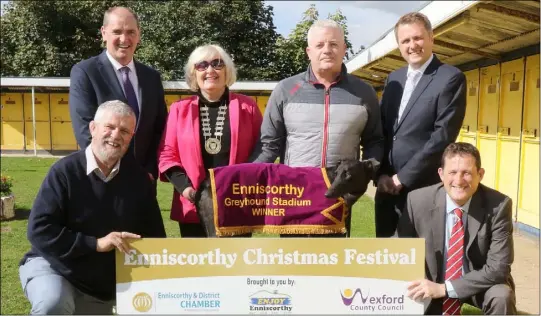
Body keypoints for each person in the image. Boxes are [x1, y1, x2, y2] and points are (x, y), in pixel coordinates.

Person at [18, 100, 167, 315]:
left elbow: (155, 237)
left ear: (131, 138)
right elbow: (39, 230)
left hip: (98, 285)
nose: (116, 135)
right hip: (53, 265)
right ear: (93, 128)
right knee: (53, 303)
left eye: (124, 131)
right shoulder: (64, 171)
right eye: (110, 127)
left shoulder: (140, 179)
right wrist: (96, 243)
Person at [250, 20, 384, 237]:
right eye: (320, 45)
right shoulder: (285, 89)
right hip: (294, 196)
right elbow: (268, 145)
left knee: (332, 266)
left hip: (339, 198)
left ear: (344, 50)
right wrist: (244, 178)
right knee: (293, 265)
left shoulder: (364, 92)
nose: (327, 50)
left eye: (333, 44)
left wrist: (362, 177)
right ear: (308, 51)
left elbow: (375, 141)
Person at [396, 142, 516, 315]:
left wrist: (445, 288)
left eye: (466, 173)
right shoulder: (417, 201)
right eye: (452, 172)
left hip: (478, 282)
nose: (459, 181)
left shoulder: (498, 205)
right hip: (432, 282)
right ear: (441, 174)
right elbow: (399, 248)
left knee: (501, 295)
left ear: (480, 174)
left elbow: (499, 268)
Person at [375, 12, 467, 237]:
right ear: (399, 45)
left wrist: (402, 178)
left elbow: (442, 136)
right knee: (384, 260)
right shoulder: (393, 79)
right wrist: (380, 174)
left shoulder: (450, 78)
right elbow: (383, 130)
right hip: (386, 188)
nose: (412, 45)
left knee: (420, 264)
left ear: (431, 38)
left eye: (417, 38)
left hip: (422, 189)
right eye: (405, 41)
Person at [157, 44, 262, 238]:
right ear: (193, 73)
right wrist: (187, 190)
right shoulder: (179, 109)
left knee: (235, 265)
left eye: (217, 63)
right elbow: (167, 153)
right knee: (197, 267)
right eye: (202, 65)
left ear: (227, 70)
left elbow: (261, 149)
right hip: (193, 202)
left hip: (237, 203)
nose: (210, 70)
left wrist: (245, 184)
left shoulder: (247, 107)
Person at [69, 6, 167, 184]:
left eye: (131, 32)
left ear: (139, 34)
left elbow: (160, 129)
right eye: (117, 32)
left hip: (145, 181)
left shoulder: (151, 77)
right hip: (104, 178)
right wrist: (117, 170)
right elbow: (85, 130)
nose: (124, 39)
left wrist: (150, 171)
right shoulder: (85, 72)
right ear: (104, 33)